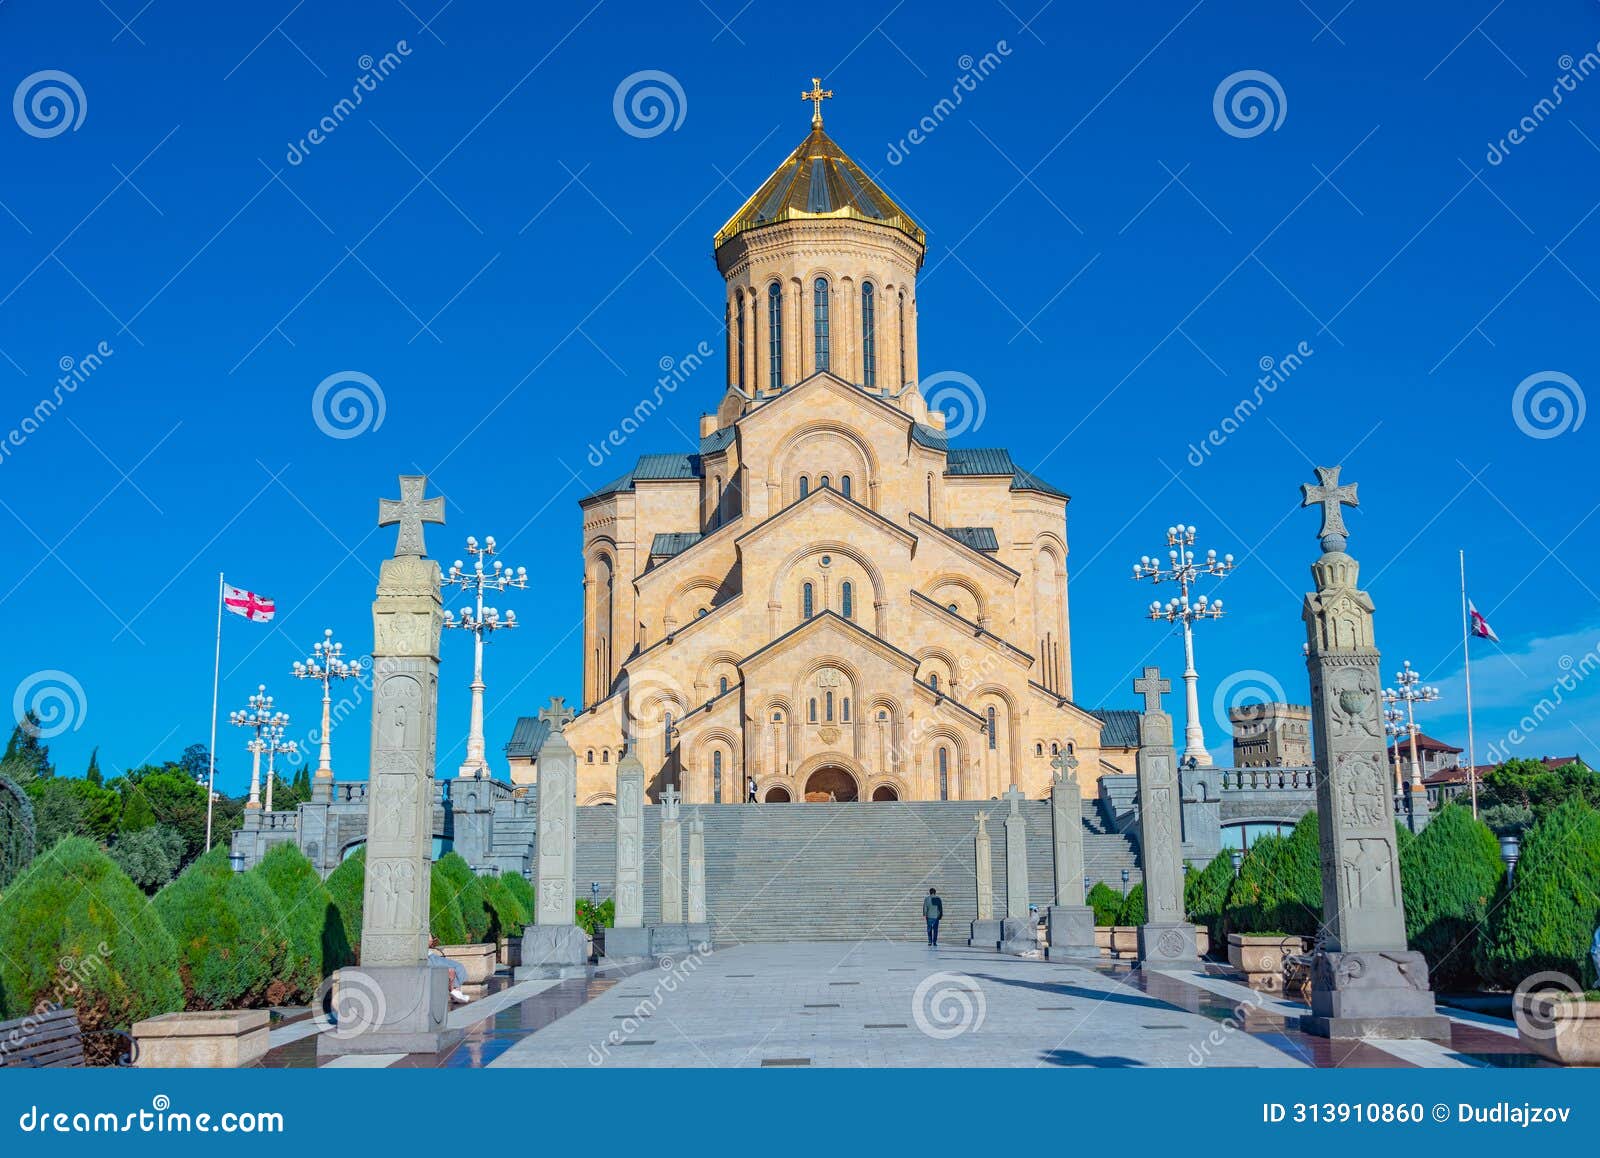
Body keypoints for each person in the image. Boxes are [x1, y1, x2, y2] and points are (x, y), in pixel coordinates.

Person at [428, 935, 470, 1003]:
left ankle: (457, 990)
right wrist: (431, 939)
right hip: (427, 958)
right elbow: (429, 942)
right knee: (450, 970)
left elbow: (430, 943)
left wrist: (432, 940)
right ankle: (454, 990)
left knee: (459, 966)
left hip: (431, 955)